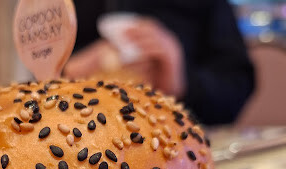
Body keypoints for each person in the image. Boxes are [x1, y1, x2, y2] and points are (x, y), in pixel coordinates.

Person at [64, 0, 255, 125]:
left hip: (184, 140)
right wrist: (64, 74)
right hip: (74, 135)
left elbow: (237, 86)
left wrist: (183, 82)